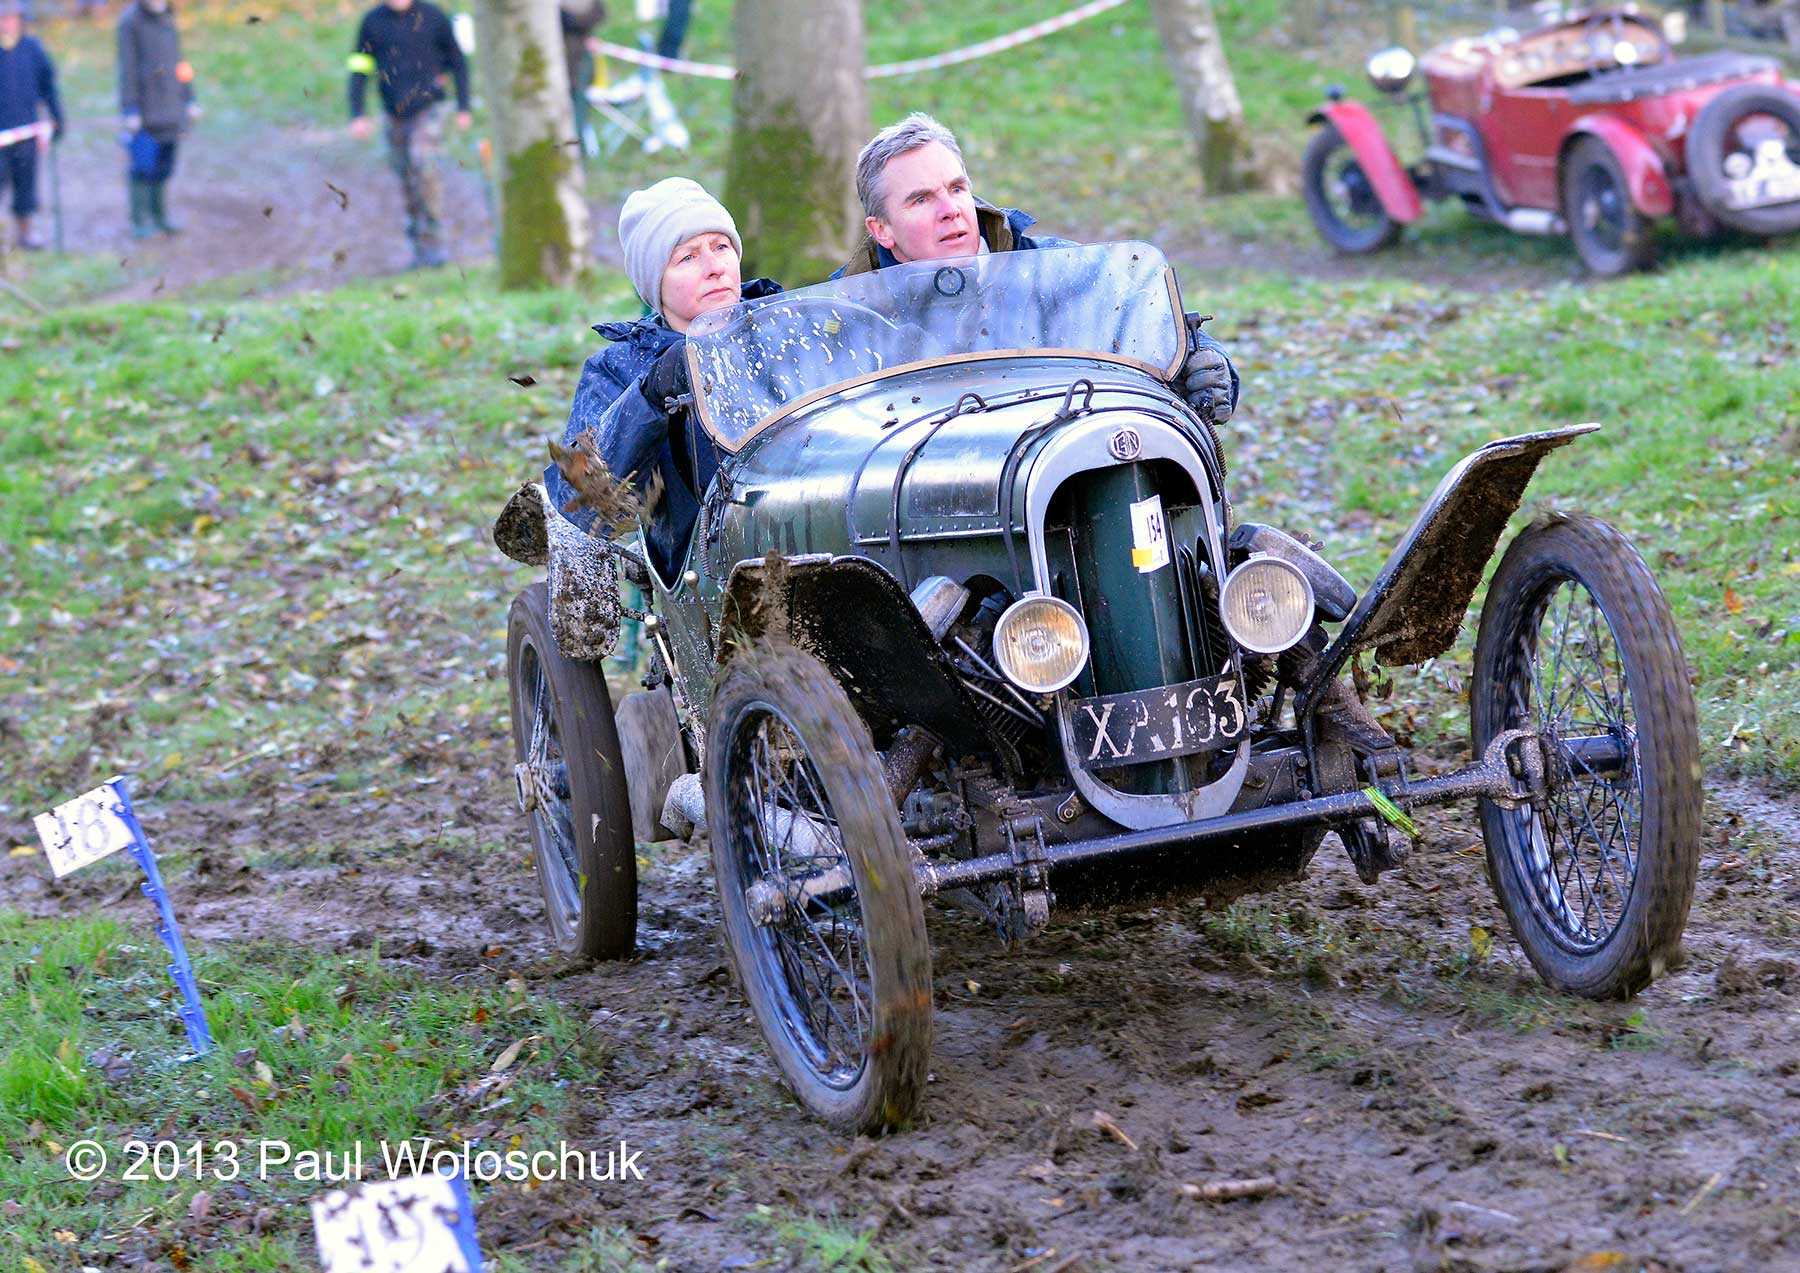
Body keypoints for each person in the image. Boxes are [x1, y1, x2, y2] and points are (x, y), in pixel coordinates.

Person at [839, 112, 1239, 425]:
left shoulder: (1054, 271)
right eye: (922, 200)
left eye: (957, 189)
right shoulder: (842, 313)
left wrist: (1203, 370)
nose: (951, 211)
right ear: (882, 230)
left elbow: (1164, 333)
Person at [546, 177, 780, 581]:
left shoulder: (786, 326)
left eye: (721, 247)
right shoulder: (621, 367)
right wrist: (650, 396)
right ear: (656, 283)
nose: (714, 267)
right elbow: (577, 500)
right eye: (687, 258)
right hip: (705, 578)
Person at [347, 0, 471, 269]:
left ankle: (436, 243)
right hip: (393, 113)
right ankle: (419, 248)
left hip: (428, 109)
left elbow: (458, 62)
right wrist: (357, 113)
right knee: (406, 177)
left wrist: (464, 107)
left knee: (423, 166)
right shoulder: (372, 22)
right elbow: (359, 68)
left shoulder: (433, 16)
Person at [117, 0, 195, 239]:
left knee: (164, 165)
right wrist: (130, 110)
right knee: (142, 165)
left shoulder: (169, 16)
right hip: (145, 111)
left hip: (172, 107)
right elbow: (127, 68)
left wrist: (191, 98)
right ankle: (140, 221)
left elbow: (181, 63)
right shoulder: (130, 22)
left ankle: (161, 217)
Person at [0, 0, 61, 250]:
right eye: (3, 18)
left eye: (13, 18)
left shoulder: (32, 49)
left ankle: (25, 233)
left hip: (26, 131)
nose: (8, 23)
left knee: (26, 186)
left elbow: (48, 86)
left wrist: (57, 115)